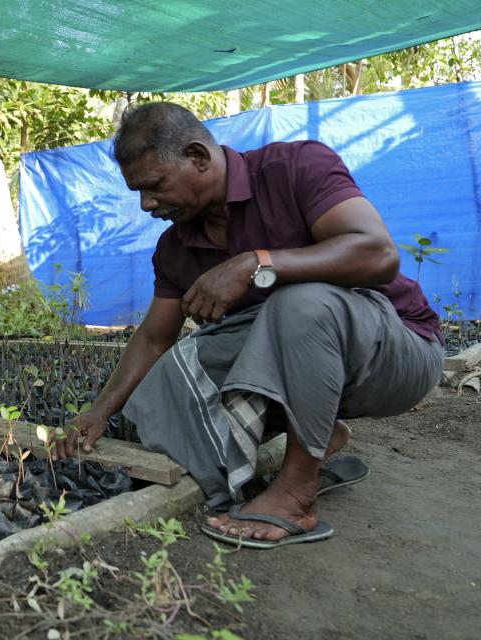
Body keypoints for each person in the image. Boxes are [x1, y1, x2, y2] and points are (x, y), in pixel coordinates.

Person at [53, 101, 443, 548]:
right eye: (138, 192)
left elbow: (378, 254)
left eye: (155, 186)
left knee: (302, 302)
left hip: (398, 353)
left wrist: (255, 264)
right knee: (164, 391)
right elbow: (154, 339)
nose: (147, 204)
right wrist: (100, 412)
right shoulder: (176, 247)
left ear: (199, 157)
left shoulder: (295, 167)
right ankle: (314, 432)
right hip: (314, 370)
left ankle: (297, 492)